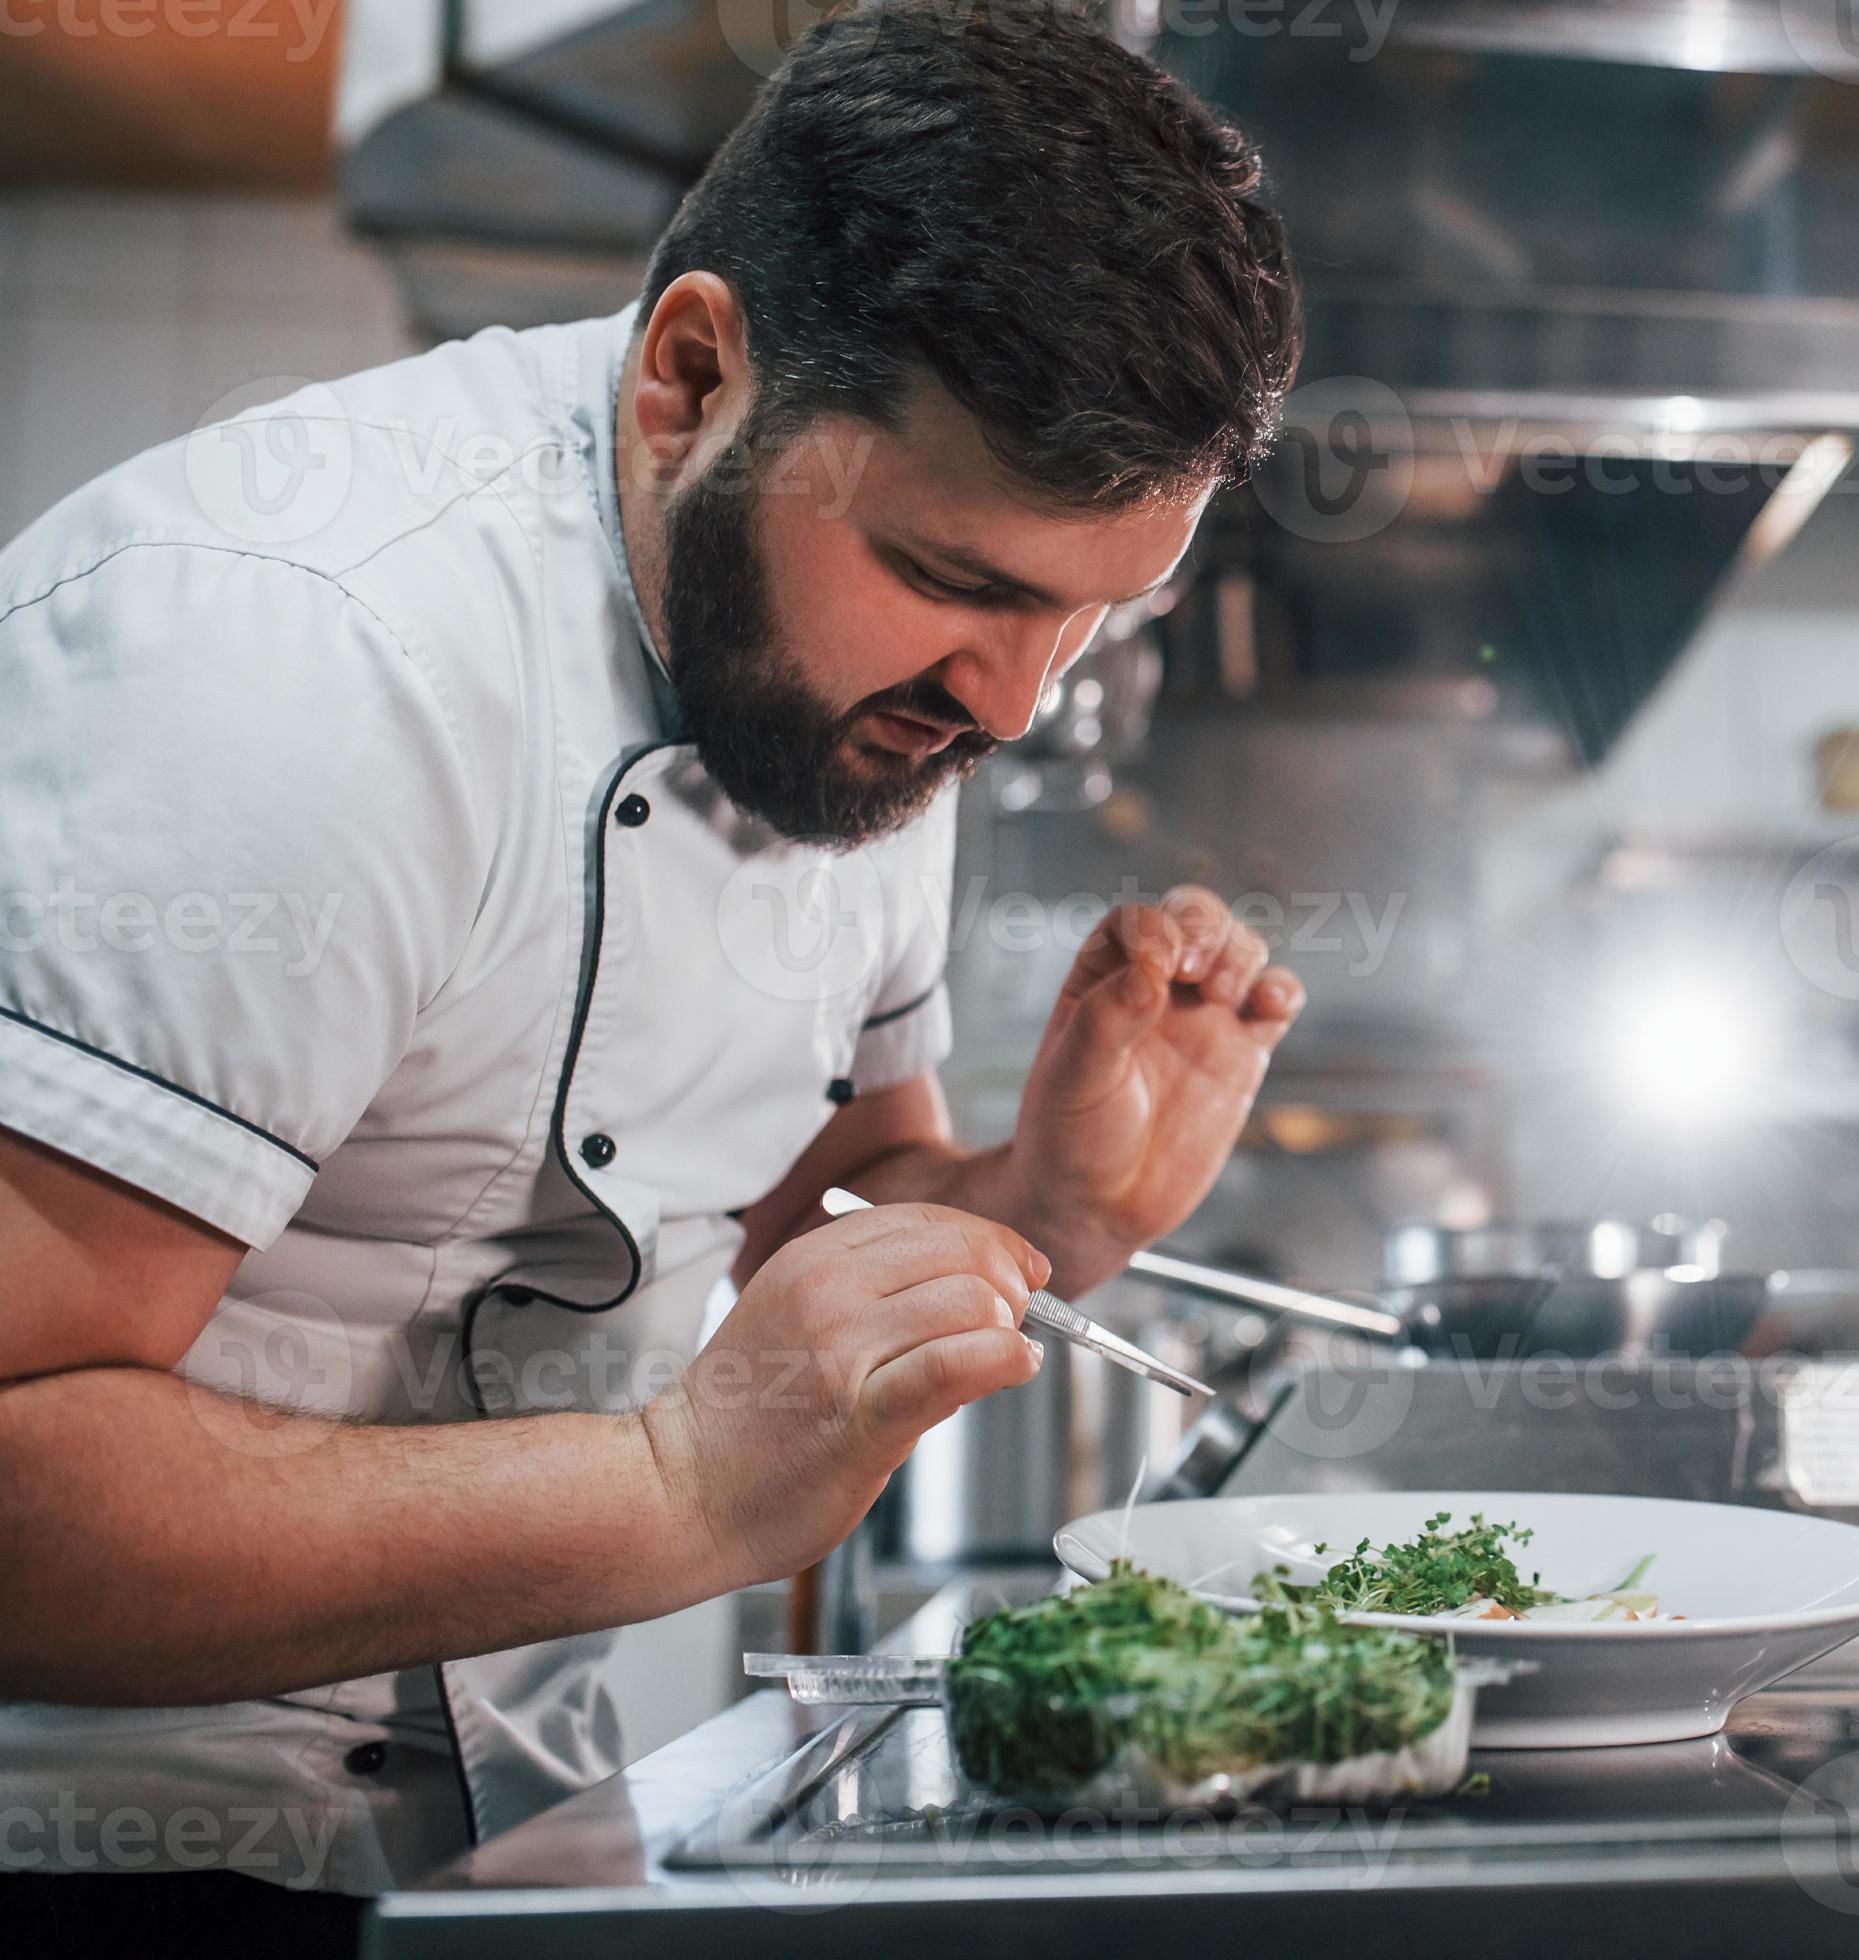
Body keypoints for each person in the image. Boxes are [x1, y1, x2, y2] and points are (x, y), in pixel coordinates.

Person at [0, 0, 1300, 1942]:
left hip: (496, 1819)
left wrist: (1038, 1202)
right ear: (695, 376)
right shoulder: (296, 658)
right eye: (968, 582)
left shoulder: (851, 675)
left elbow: (813, 1202)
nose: (1018, 702)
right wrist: (683, 1487)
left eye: (1097, 615)